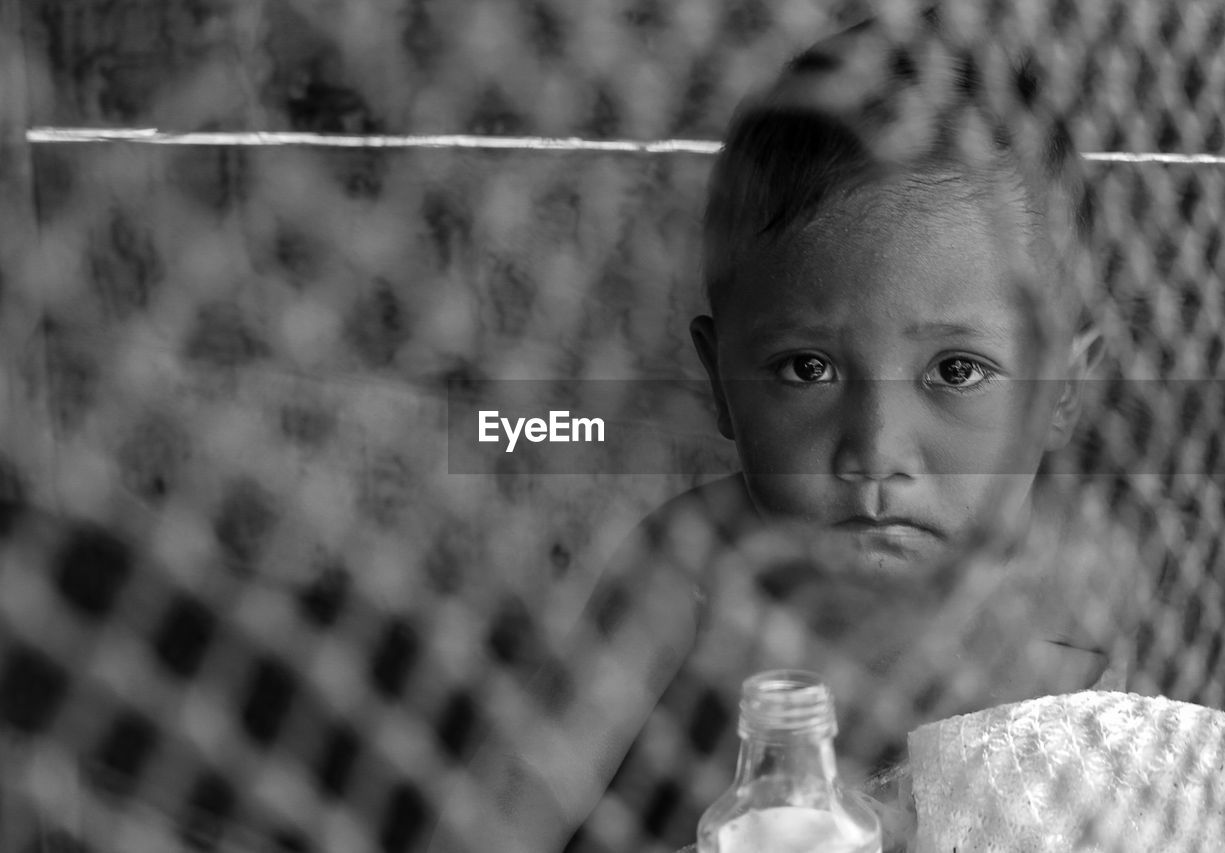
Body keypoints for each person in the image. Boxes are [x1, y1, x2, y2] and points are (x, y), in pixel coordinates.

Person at [431, 13, 1140, 853]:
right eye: (808, 369)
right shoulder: (692, 567)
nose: (875, 451)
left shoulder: (1083, 596)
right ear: (720, 380)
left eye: (956, 371)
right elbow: (494, 817)